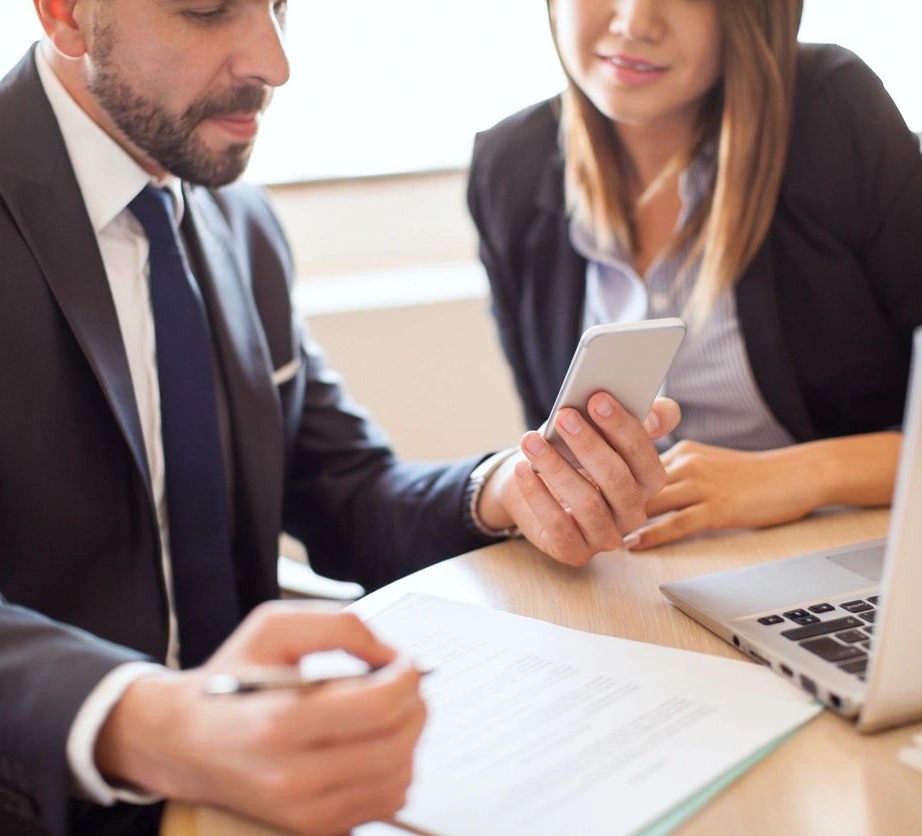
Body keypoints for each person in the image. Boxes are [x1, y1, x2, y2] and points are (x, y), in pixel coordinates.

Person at [0, 1, 681, 834]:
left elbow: (346, 489)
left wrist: (507, 487)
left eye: (282, 5)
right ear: (68, 17)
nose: (275, 62)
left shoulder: (235, 222)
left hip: (267, 792)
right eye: (209, 9)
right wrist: (145, 721)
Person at [467, 0, 922, 551]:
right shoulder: (508, 167)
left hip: (849, 554)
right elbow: (554, 452)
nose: (635, 21)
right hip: (638, 572)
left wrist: (801, 474)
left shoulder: (833, 108)